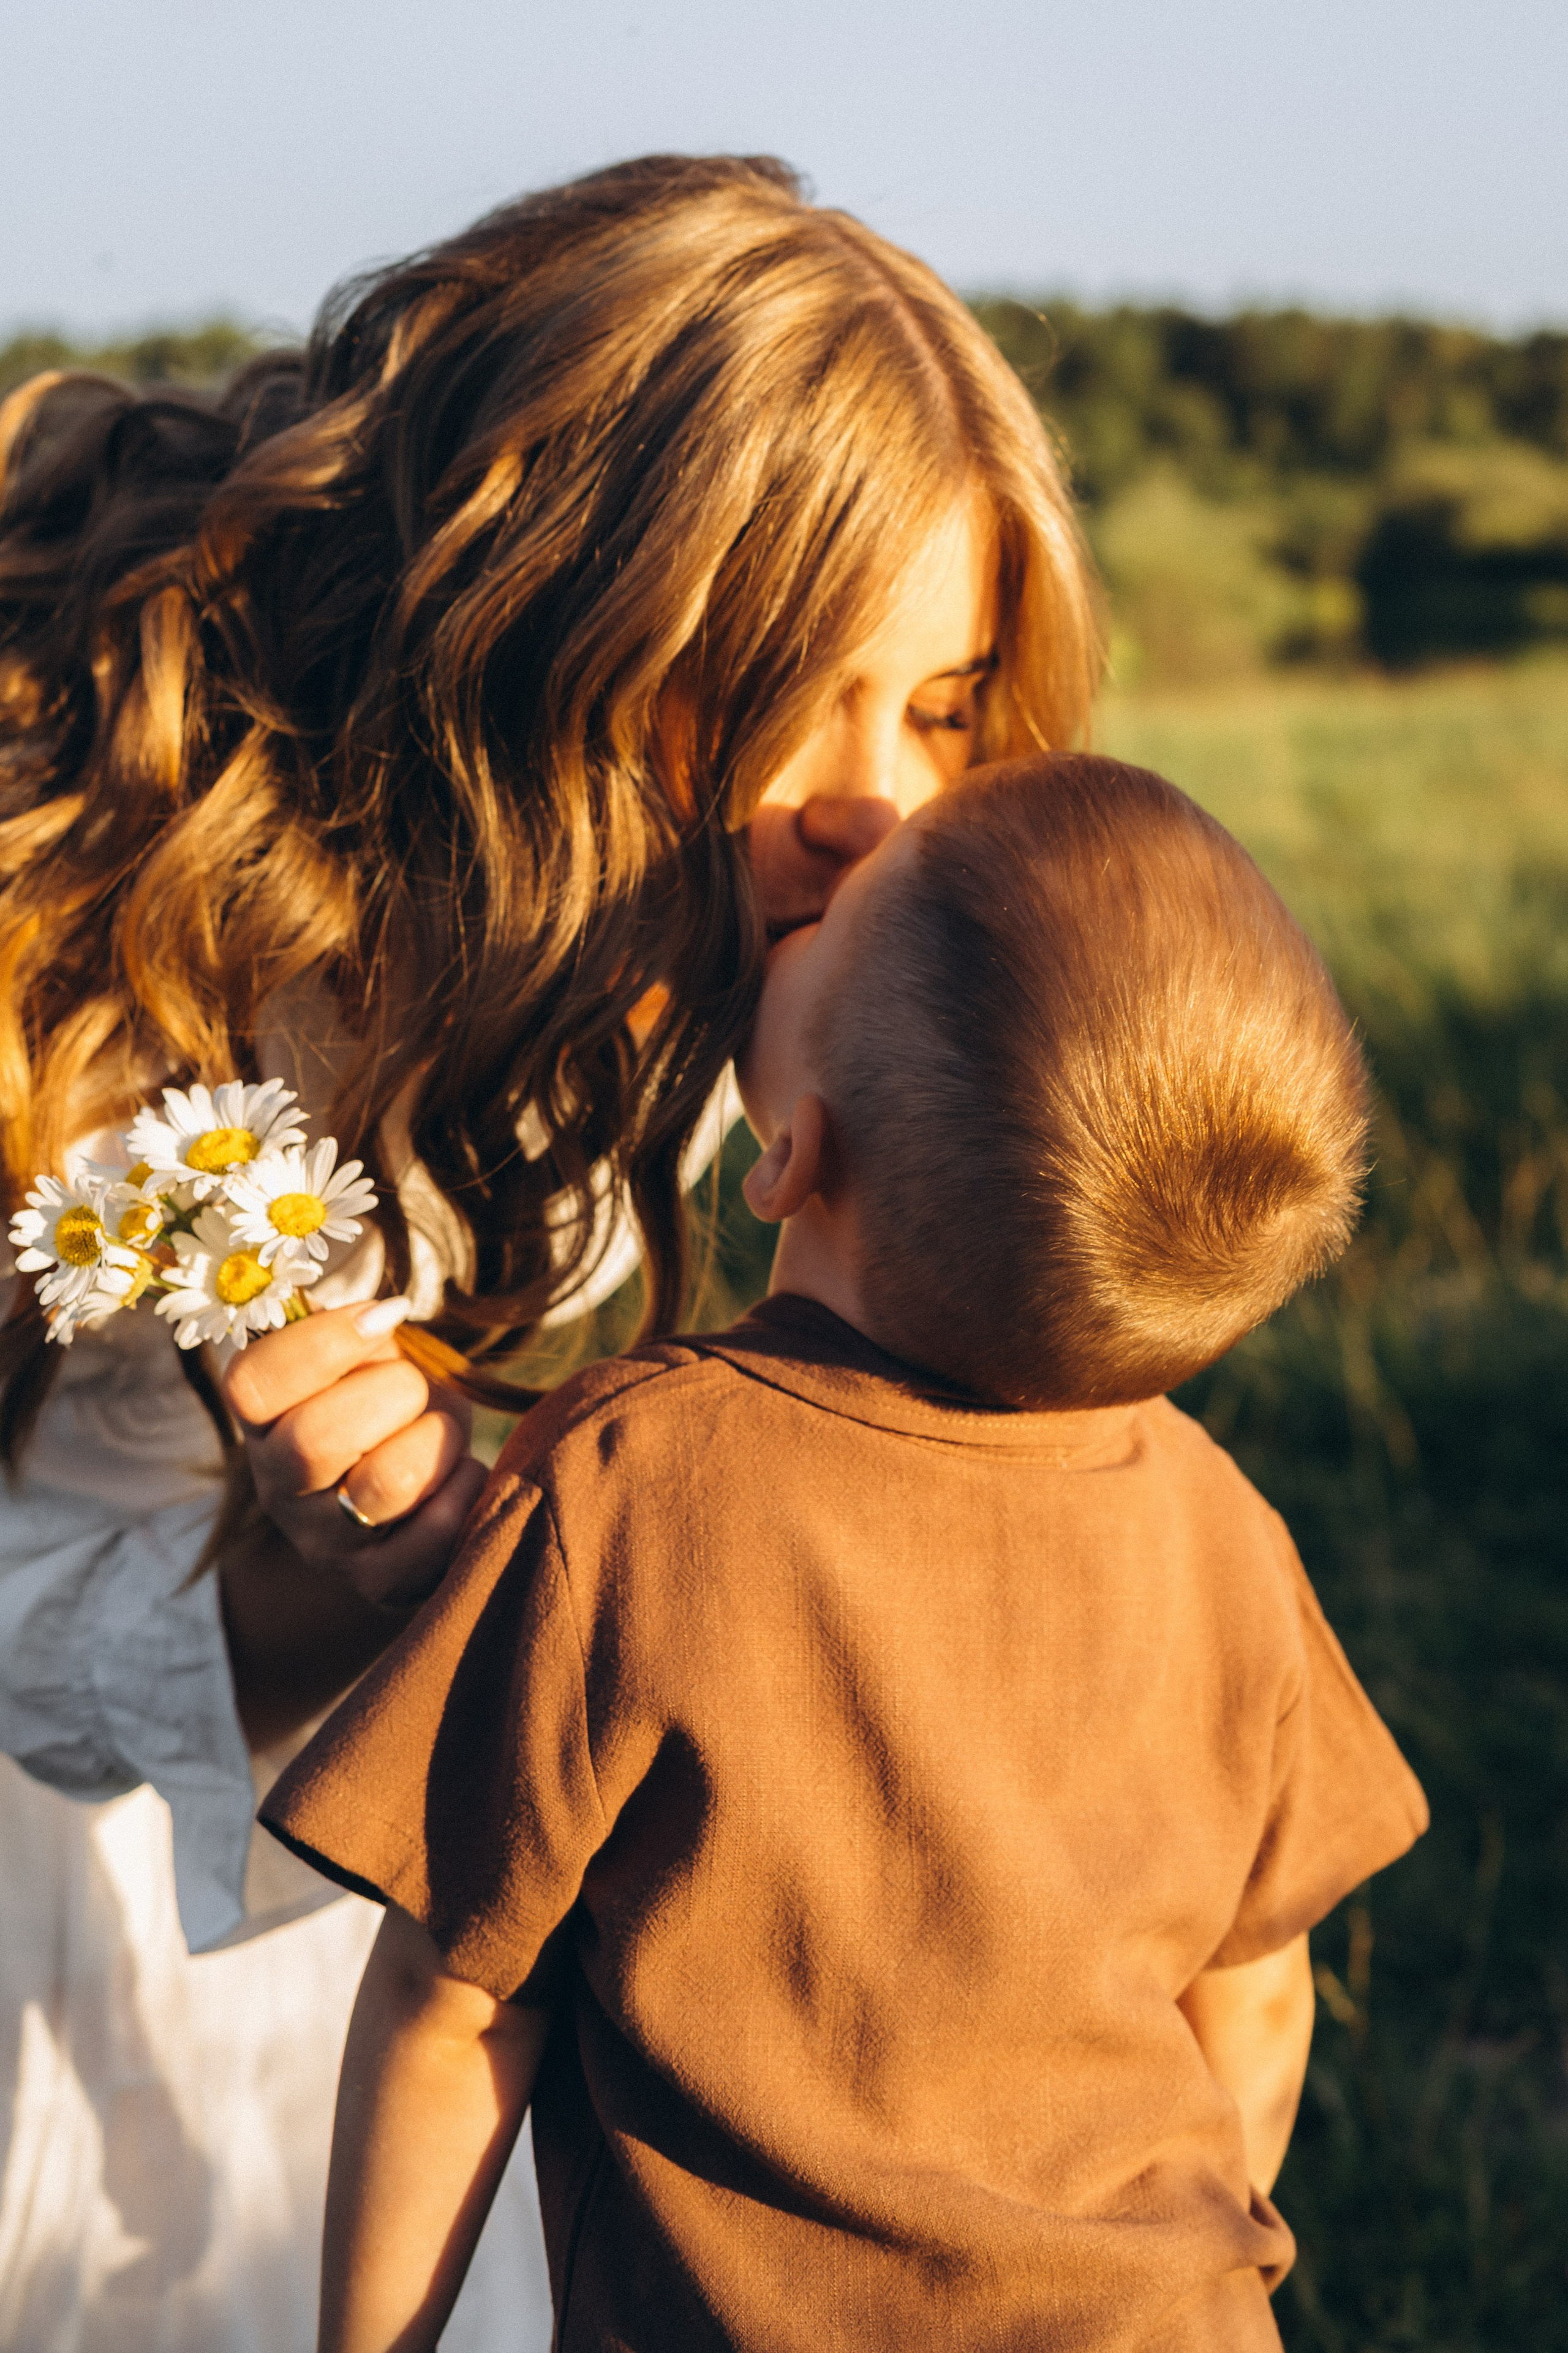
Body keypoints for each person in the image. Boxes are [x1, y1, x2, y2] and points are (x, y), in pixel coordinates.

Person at [0, 157, 1101, 2347]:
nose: (881, 803)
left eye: (948, 700)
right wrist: (300, 1609)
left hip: (412, 1904)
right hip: (69, 1913)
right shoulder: (116, 951)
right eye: (798, 683)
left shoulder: (733, 922)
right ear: (556, 625)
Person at [263, 755, 1429, 2353]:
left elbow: (449, 2008)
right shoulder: (1226, 1526)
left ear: (792, 1153)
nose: (855, 831)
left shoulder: (632, 1482)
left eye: (848, 917)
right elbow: (1260, 1995)